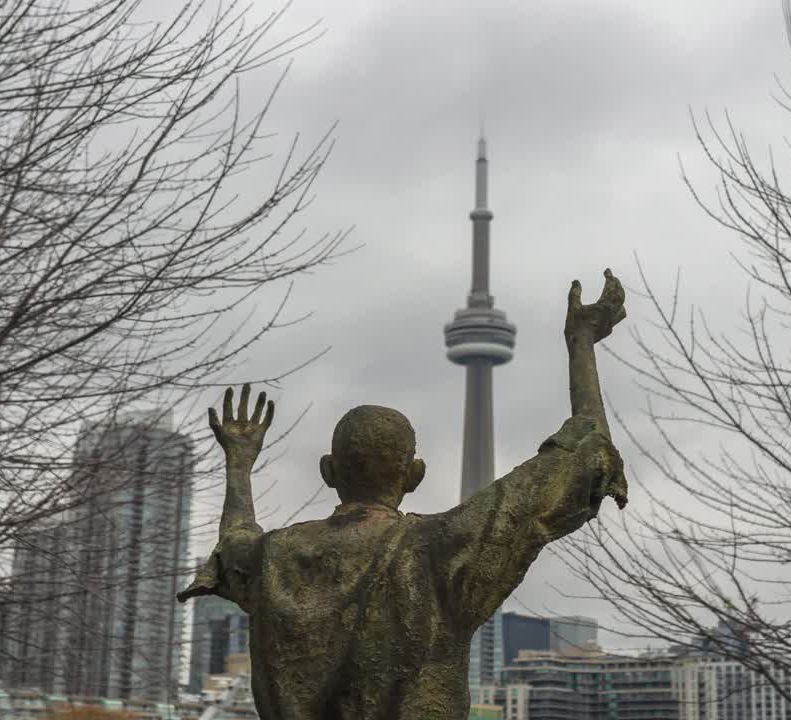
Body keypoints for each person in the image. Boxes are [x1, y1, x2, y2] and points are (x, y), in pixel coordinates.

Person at [178, 270, 629, 720]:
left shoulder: (276, 558)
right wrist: (581, 342)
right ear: (414, 475)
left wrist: (239, 464)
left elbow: (236, 542)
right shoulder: (443, 549)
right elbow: (585, 454)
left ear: (328, 472)